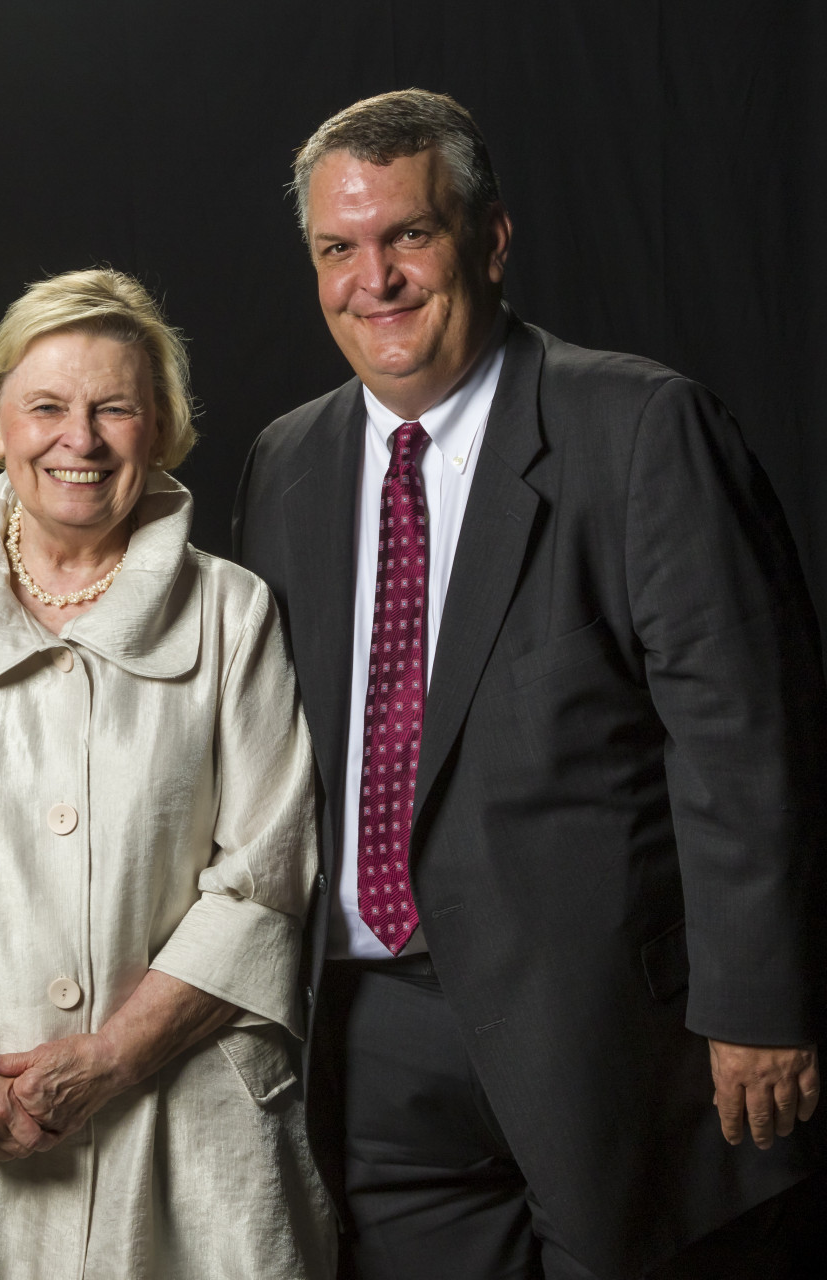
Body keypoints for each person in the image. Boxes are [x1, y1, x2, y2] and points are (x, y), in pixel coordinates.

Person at [232, 89, 825, 1279]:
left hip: (612, 1032)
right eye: (338, 249)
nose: (375, 278)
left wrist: (760, 1000)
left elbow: (748, 736)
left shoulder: (642, 426)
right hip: (371, 1032)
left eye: (410, 234)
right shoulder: (289, 461)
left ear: (491, 239)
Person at [0, 268, 335, 1279]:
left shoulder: (234, 613)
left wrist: (107, 1059)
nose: (81, 439)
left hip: (184, 1121)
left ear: (162, 427)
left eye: (115, 408)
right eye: (48, 407)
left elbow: (266, 873)